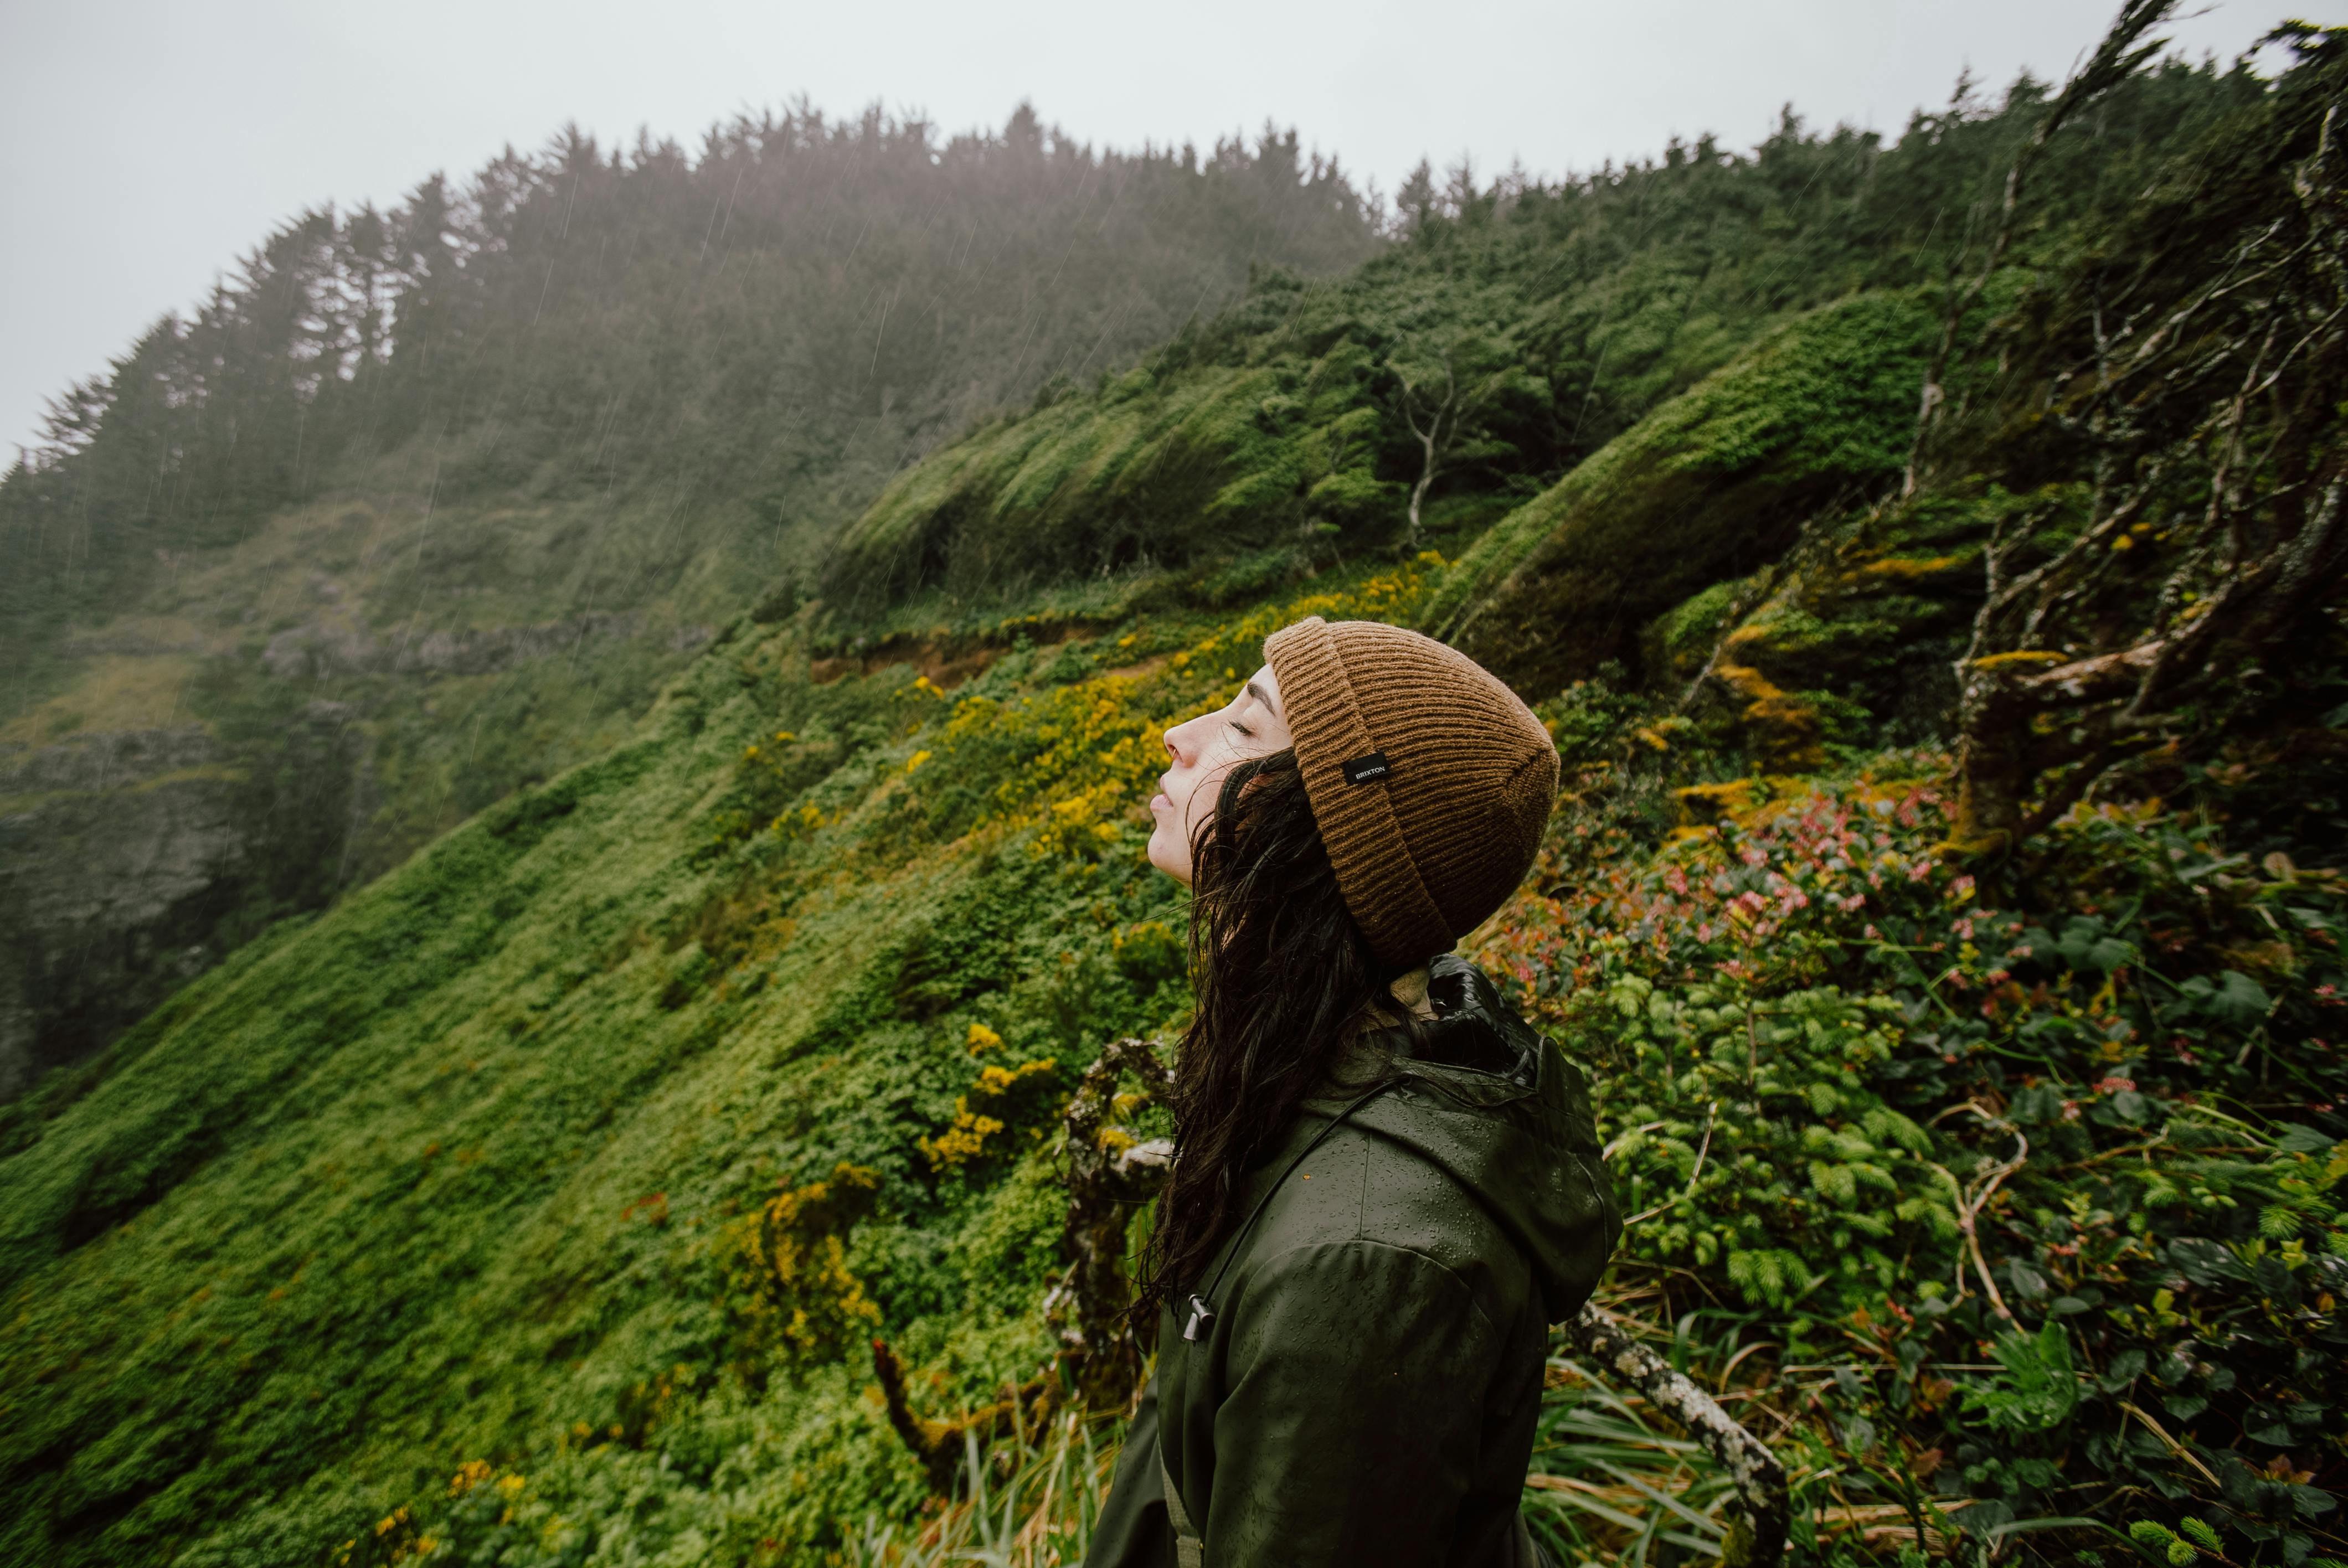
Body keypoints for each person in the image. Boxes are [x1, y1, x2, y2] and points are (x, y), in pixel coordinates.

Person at [1084, 615, 1621, 1568]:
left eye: (1246, 731)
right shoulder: (1292, 1061)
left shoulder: (1368, 1266)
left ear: (1332, 838)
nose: (1182, 732)